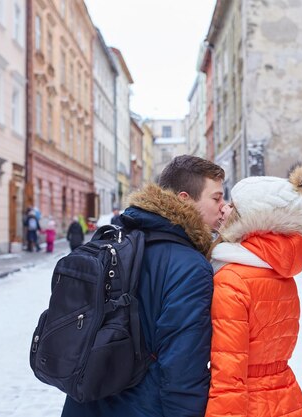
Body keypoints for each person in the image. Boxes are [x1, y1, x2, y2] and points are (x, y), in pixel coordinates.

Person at [61, 155, 227, 417]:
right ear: (184, 199)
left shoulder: (118, 240)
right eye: (216, 198)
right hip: (144, 406)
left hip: (87, 401)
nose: (223, 207)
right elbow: (183, 366)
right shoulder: (190, 266)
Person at [205, 164, 302, 417]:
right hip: (285, 395)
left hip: (249, 401)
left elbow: (229, 369)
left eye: (234, 206)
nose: (224, 208)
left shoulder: (232, 278)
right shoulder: (280, 270)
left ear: (252, 217)